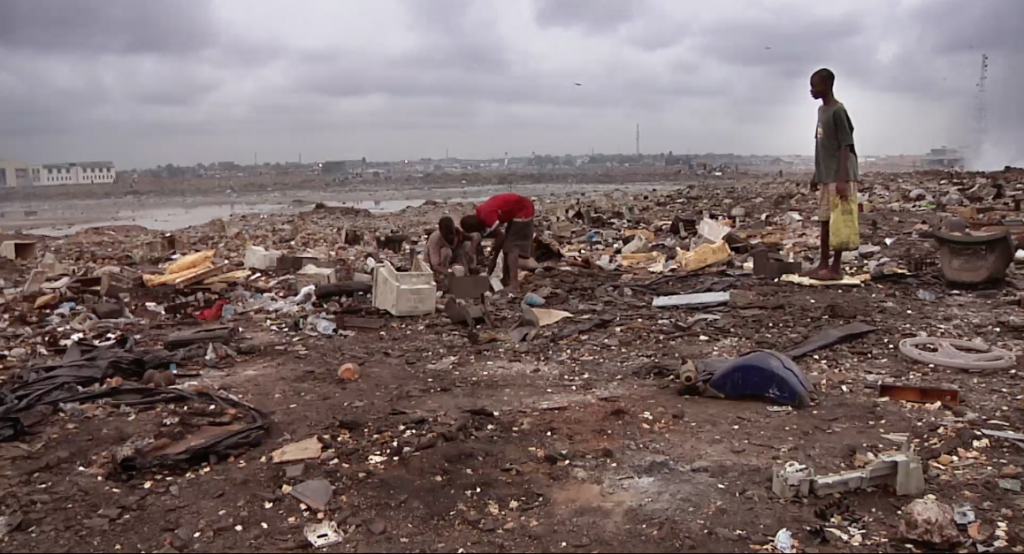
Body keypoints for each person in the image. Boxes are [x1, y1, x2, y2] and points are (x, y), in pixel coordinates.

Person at [805, 67, 859, 281]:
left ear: (827, 86)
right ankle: (822, 264)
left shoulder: (838, 111)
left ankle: (835, 268)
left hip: (840, 175)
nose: (811, 90)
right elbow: (823, 146)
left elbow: (846, 145)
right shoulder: (821, 111)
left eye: (814, 86)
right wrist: (816, 174)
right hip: (826, 175)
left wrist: (842, 178)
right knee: (825, 220)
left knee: (838, 222)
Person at [459, 193, 535, 292]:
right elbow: (500, 238)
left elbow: (501, 236)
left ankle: (514, 285)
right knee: (507, 248)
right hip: (518, 209)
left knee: (512, 248)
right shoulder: (481, 211)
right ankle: (506, 280)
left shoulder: (486, 216)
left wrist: (493, 259)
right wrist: (494, 257)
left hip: (524, 210)